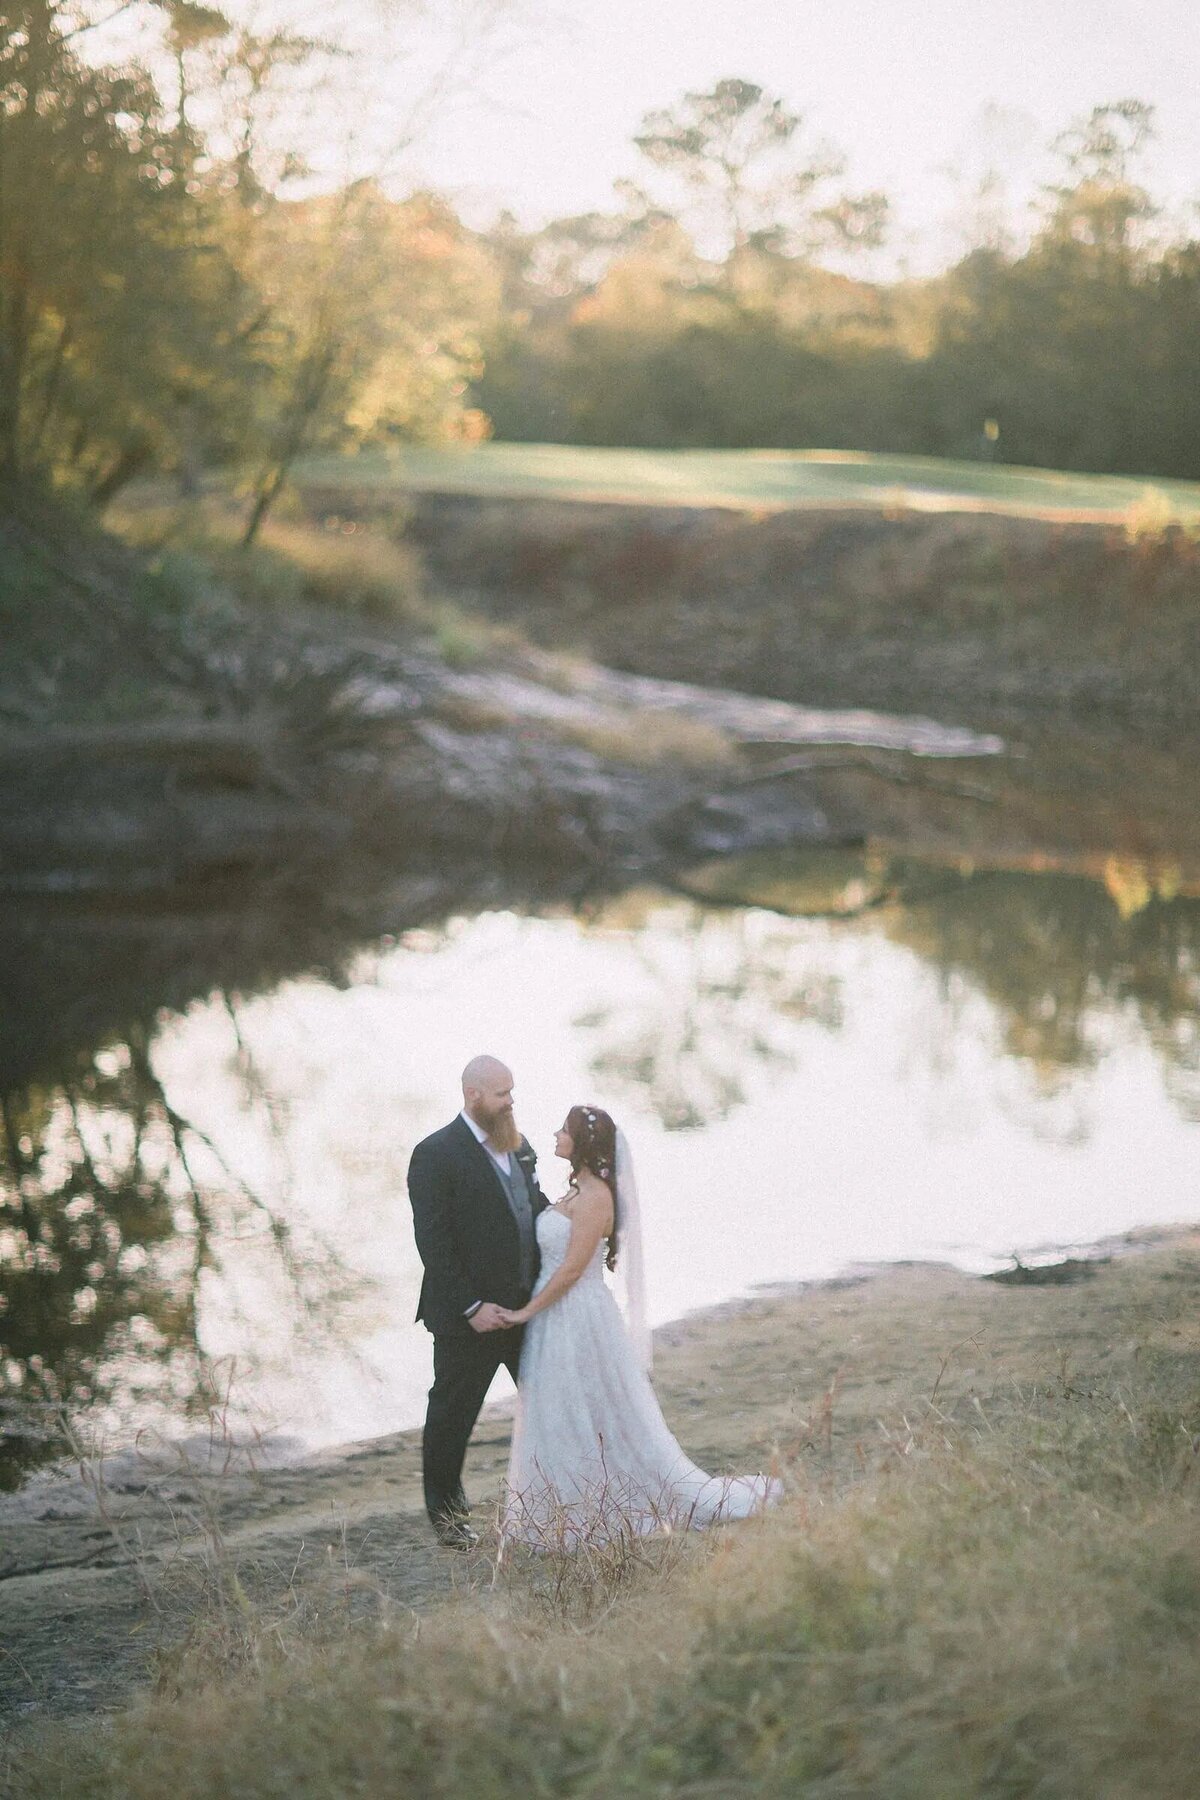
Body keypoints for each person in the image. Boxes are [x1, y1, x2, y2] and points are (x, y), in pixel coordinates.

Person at [496, 1104, 781, 1550]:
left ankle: (591, 1505)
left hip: (579, 1317)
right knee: (561, 1408)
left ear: (583, 1143)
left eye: (563, 1130)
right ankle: (556, 1506)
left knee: (593, 1407)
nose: (555, 1134)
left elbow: (571, 1270)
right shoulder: (576, 1192)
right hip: (557, 1318)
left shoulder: (595, 1199)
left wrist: (524, 1313)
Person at [407, 1055, 548, 1549]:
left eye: (512, 1092)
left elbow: (534, 1208)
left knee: (551, 1402)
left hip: (526, 1309)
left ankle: (561, 1501)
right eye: (502, 1094)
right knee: (452, 1416)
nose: (511, 1101)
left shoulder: (520, 1145)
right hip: (468, 1318)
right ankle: (448, 1522)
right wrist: (471, 1306)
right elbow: (434, 1242)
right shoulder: (435, 1154)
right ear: (474, 1096)